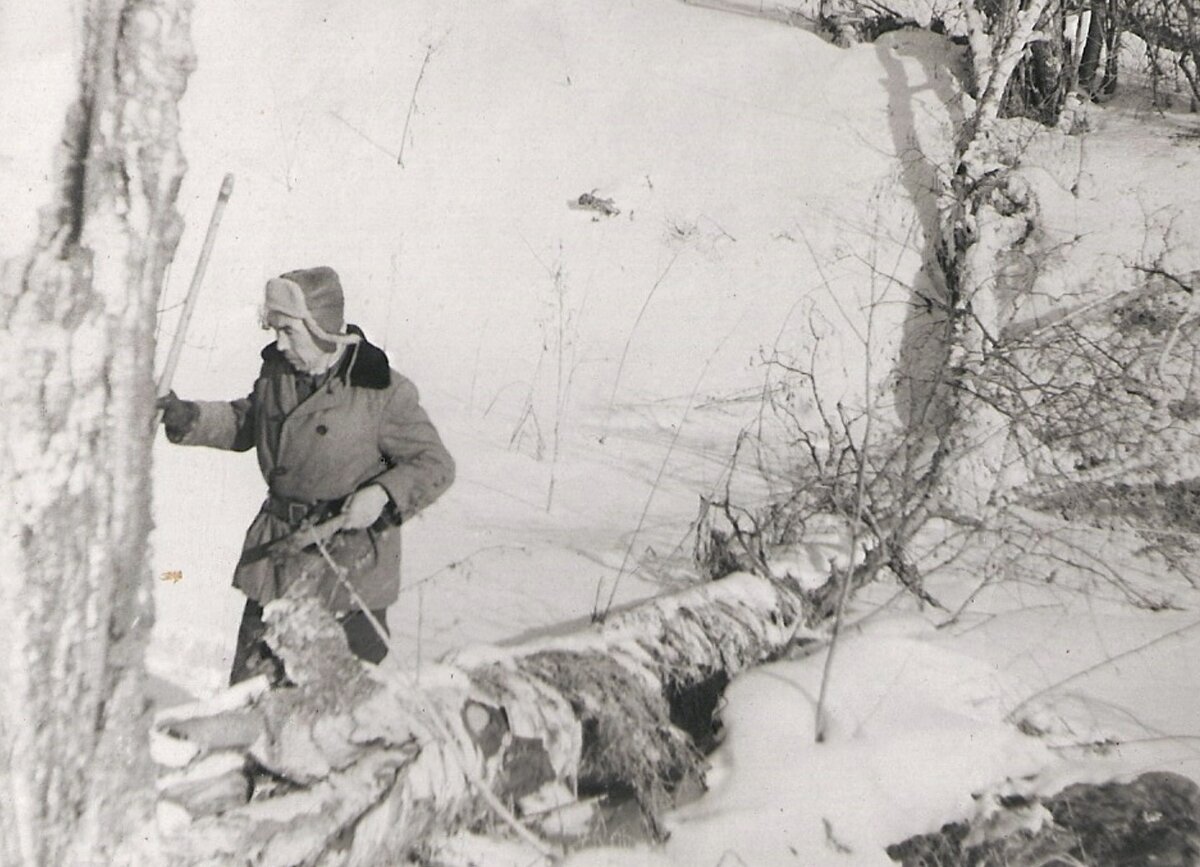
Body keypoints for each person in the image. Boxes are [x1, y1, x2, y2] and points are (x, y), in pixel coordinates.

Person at [158, 266, 455, 684]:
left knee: (327, 703)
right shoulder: (278, 375)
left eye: (289, 331)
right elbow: (248, 421)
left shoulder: (380, 390)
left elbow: (435, 463)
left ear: (322, 327)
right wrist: (189, 417)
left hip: (345, 568)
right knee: (252, 691)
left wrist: (383, 494)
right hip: (279, 556)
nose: (280, 343)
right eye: (275, 330)